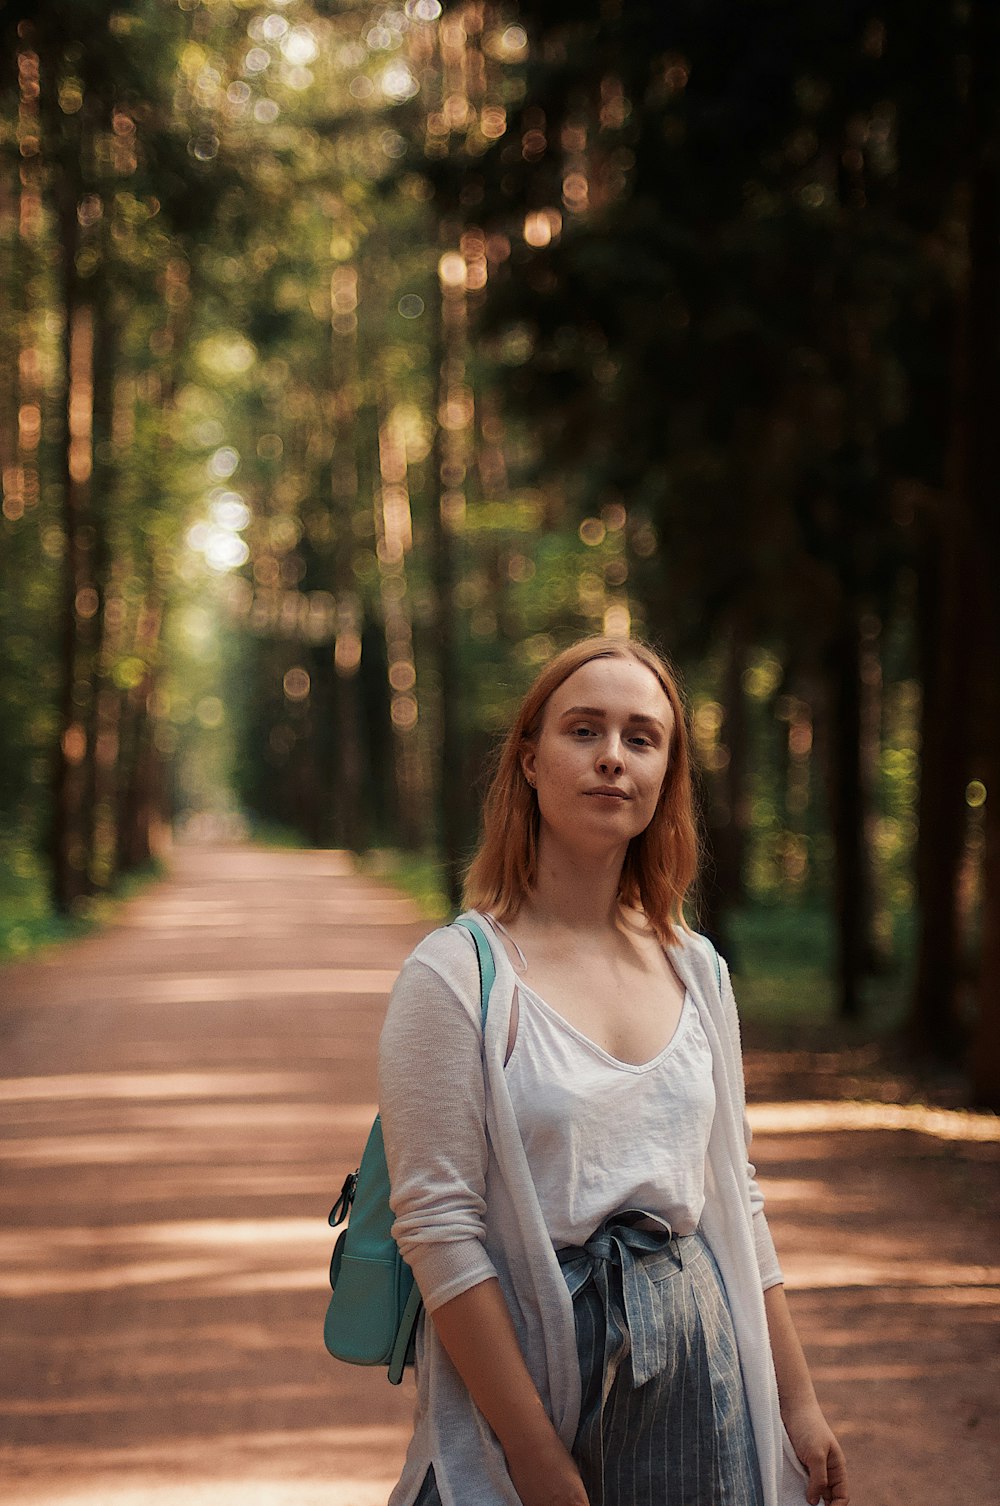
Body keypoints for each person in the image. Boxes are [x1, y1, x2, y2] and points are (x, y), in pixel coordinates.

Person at [378, 635, 849, 1506]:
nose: (611, 759)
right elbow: (439, 1231)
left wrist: (800, 1403)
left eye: (642, 738)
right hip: (532, 1380)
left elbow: (736, 1199)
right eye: (583, 730)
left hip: (698, 1393)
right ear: (528, 760)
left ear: (667, 772)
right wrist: (532, 1457)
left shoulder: (696, 969)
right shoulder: (457, 976)